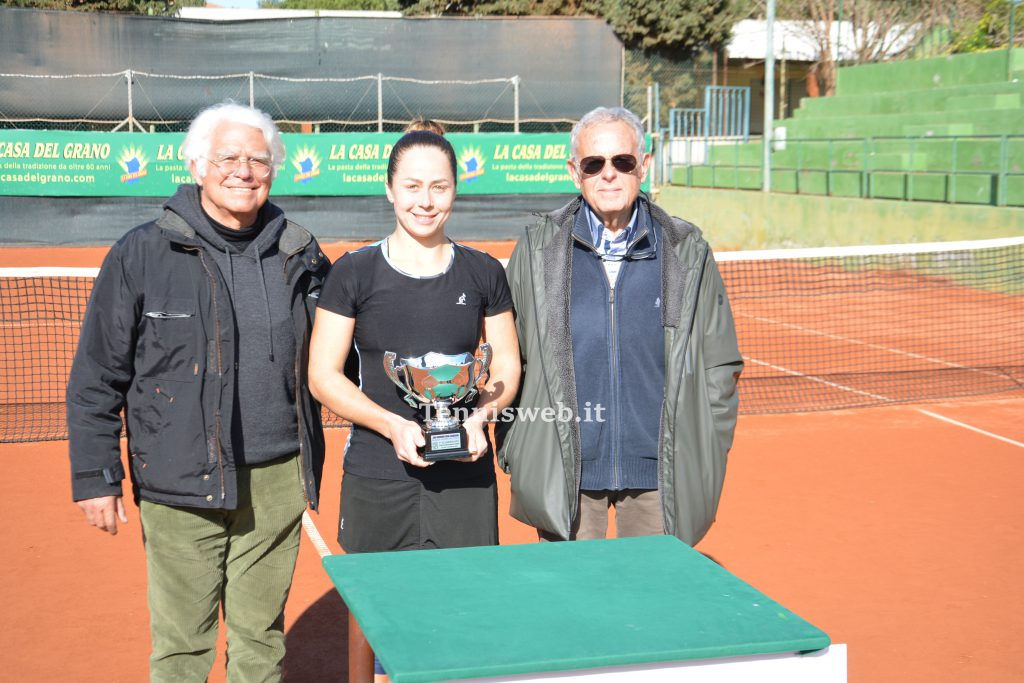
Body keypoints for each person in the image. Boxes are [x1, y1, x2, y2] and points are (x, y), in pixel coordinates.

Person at [66, 102, 330, 682]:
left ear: (274, 170)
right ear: (196, 163)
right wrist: (95, 475)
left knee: (261, 639)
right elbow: (96, 376)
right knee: (183, 646)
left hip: (278, 479)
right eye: (228, 156)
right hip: (180, 480)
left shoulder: (302, 253)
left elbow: (340, 355)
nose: (243, 170)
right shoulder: (141, 252)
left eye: (258, 159)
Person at [307, 130, 520, 680]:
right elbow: (323, 375)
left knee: (463, 614)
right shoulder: (353, 272)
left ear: (456, 191)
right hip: (378, 474)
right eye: (412, 186)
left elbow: (506, 367)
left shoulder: (484, 272)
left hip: (465, 475)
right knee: (378, 616)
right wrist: (391, 424)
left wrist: (480, 417)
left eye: (439, 186)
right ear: (389, 190)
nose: (426, 200)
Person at [499, 106, 743, 545]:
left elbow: (718, 366)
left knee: (650, 604)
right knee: (574, 604)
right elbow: (509, 357)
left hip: (659, 471)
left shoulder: (685, 250)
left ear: (643, 166)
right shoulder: (538, 249)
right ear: (576, 173)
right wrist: (518, 445)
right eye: (594, 164)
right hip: (566, 470)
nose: (608, 174)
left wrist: (707, 449)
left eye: (622, 162)